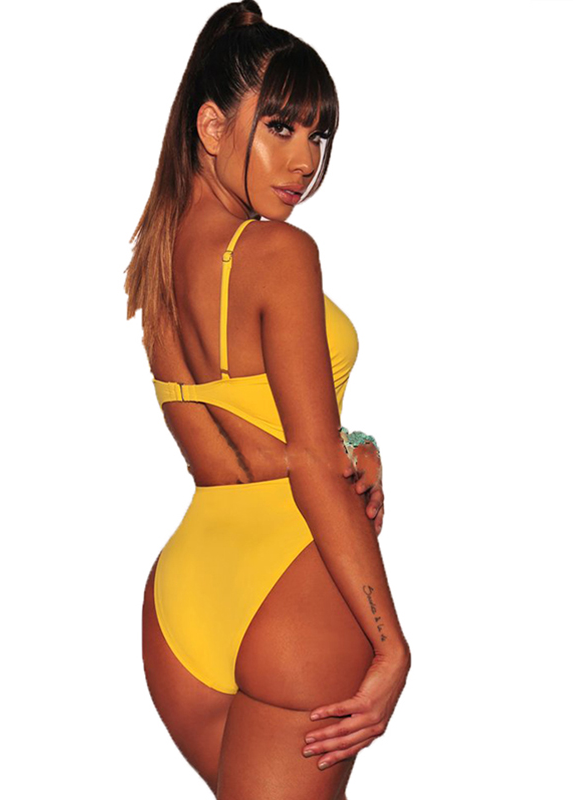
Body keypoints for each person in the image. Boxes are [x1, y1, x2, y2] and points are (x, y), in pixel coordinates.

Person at [124, 3, 411, 798]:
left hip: (183, 604)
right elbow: (312, 463)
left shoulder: (157, 254)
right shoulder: (279, 252)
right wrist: (391, 645)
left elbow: (242, 420)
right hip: (292, 587)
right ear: (212, 126)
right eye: (280, 128)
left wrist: (356, 439)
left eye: (318, 135)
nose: (304, 160)